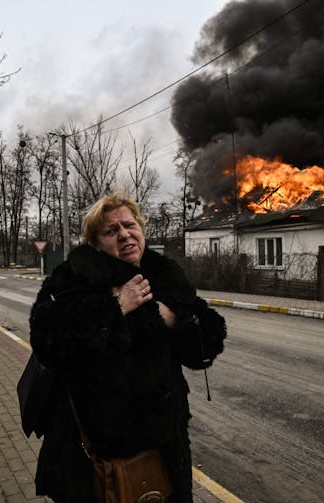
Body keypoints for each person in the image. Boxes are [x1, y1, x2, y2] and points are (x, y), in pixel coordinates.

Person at [29, 192, 227, 502]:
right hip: (93, 455)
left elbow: (208, 341)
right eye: (111, 231)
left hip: (164, 449)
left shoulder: (164, 275)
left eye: (129, 225)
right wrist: (115, 307)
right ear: (95, 242)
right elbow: (46, 339)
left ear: (141, 228)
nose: (124, 235)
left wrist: (176, 319)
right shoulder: (72, 278)